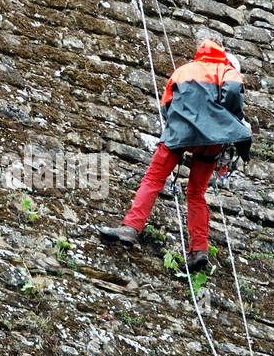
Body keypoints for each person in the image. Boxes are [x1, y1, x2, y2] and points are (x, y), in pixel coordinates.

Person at [99, 39, 252, 272]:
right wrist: (228, 120)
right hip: (212, 141)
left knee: (153, 179)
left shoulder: (183, 70)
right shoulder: (227, 71)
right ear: (222, 55)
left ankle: (130, 228)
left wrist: (178, 127)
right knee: (197, 193)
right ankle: (199, 250)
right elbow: (233, 93)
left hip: (179, 134)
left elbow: (166, 105)